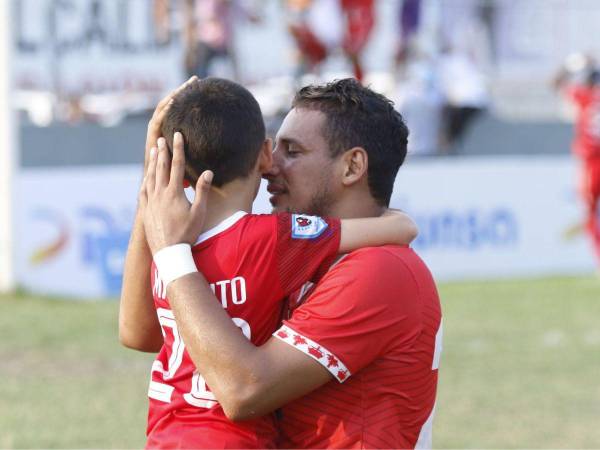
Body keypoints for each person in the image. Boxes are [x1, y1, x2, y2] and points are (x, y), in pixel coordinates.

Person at [139, 78, 442, 448]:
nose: (269, 167)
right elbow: (144, 332)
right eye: (273, 149)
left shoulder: (379, 269)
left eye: (292, 152)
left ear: (352, 167)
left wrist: (172, 255)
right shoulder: (290, 259)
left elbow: (243, 391)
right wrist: (155, 180)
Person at [555, 55, 600, 266]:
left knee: (590, 213)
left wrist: (568, 65)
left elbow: (557, 85)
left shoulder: (584, 96)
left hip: (591, 164)